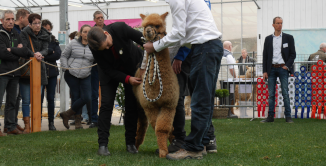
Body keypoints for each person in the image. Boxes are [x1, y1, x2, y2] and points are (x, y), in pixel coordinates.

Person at [143, 0, 223, 160]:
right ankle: (204, 142)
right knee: (204, 99)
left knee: (199, 100)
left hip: (204, 48)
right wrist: (169, 57)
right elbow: (185, 36)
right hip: (210, 47)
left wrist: (156, 46)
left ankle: (193, 148)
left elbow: (179, 33)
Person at [87, 23, 144, 156]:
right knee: (106, 105)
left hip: (132, 66)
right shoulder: (94, 47)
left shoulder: (120, 28)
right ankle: (102, 145)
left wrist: (142, 66)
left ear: (106, 34)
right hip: (109, 73)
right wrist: (126, 79)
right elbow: (107, 69)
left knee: (131, 105)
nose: (107, 48)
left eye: (107, 45)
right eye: (104, 49)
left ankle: (130, 143)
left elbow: (143, 41)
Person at [261, 16, 296, 123]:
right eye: (277, 23)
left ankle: (288, 116)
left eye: (281, 23)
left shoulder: (288, 38)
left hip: (283, 68)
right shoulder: (268, 39)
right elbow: (265, 56)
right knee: (271, 94)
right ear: (273, 25)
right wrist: (265, 71)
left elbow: (292, 54)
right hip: (271, 69)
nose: (280, 25)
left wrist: (287, 66)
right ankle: (270, 117)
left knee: (285, 92)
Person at [20, 13, 50, 133]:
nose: (38, 25)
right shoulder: (24, 33)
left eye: (39, 23)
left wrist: (40, 54)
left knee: (37, 99)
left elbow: (46, 48)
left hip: (40, 70)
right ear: (30, 24)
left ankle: (37, 124)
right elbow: (24, 48)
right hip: (26, 69)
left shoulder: (45, 34)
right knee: (26, 100)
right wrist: (34, 54)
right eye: (35, 23)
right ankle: (27, 125)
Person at [60, 24, 93, 130]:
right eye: (84, 32)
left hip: (86, 74)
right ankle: (78, 122)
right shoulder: (73, 43)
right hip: (72, 73)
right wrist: (65, 67)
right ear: (80, 33)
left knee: (87, 97)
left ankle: (67, 113)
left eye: (89, 32)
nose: (86, 34)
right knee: (75, 96)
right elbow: (64, 55)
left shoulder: (94, 45)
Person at [0, 10, 28, 135]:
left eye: (12, 19)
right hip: (2, 72)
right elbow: (2, 53)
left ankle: (10, 126)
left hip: (15, 73)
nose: (11, 21)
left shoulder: (17, 33)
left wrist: (12, 50)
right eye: (7, 19)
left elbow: (24, 51)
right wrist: (17, 52)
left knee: (12, 101)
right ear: (2, 21)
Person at [41, 19, 61, 131]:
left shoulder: (54, 40)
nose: (47, 31)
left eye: (49, 29)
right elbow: (38, 54)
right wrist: (49, 51)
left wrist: (46, 54)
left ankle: (51, 123)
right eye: (45, 29)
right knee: (39, 97)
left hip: (52, 73)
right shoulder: (38, 40)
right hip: (40, 72)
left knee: (51, 98)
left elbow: (57, 55)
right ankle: (37, 121)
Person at [87, 10, 106, 128]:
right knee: (94, 93)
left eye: (102, 17)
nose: (100, 19)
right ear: (94, 20)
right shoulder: (91, 32)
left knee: (106, 93)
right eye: (98, 18)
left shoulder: (109, 30)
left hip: (107, 66)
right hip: (95, 66)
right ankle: (94, 119)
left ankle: (105, 118)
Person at [222, 41, 238, 118]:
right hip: (230, 80)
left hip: (222, 79)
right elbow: (232, 68)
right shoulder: (229, 55)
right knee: (230, 96)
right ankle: (229, 112)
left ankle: (223, 112)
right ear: (229, 46)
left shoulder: (220, 53)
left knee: (223, 96)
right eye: (231, 45)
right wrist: (235, 77)